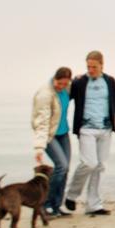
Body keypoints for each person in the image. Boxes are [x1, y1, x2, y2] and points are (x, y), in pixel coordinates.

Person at [63, 50, 115, 216]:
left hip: (105, 129)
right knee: (88, 163)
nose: (90, 70)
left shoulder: (110, 81)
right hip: (86, 129)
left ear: (101, 65)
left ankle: (94, 205)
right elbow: (64, 96)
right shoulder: (80, 82)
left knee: (100, 166)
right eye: (88, 67)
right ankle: (71, 195)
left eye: (94, 67)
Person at [31, 67, 73, 218]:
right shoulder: (45, 94)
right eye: (59, 83)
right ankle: (45, 204)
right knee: (61, 166)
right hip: (49, 135)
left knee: (65, 168)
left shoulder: (67, 88)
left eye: (64, 84)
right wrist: (39, 147)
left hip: (63, 134)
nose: (61, 86)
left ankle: (56, 206)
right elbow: (41, 123)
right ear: (54, 79)